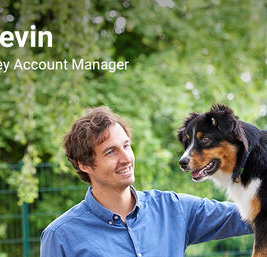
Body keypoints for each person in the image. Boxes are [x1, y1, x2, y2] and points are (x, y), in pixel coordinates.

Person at [40, 106, 252, 257]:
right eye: (111, 152)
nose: (126, 159)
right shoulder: (61, 237)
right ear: (85, 165)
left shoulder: (173, 209)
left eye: (126, 146)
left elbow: (254, 215)